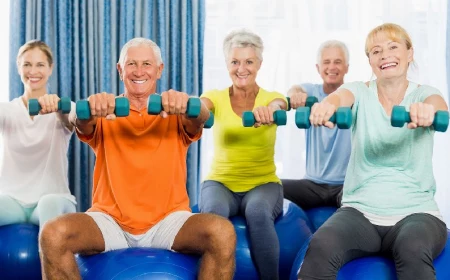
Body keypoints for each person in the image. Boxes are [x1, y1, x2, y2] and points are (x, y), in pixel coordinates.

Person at [39, 37, 236, 280]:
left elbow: (202, 118)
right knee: (52, 233)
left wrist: (190, 105)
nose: (139, 71)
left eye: (147, 64)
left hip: (168, 221)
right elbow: (77, 122)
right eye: (131, 64)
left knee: (222, 232)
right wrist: (88, 110)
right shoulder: (105, 110)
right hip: (109, 221)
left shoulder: (174, 110)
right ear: (120, 70)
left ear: (159, 69)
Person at [297, 23, 448, 280]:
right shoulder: (360, 91)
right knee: (320, 247)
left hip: (416, 213)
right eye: (376, 51)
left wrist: (429, 112)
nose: (385, 55)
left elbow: (439, 107)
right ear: (370, 61)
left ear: (409, 53)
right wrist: (327, 105)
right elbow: (340, 97)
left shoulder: (425, 94)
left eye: (393, 47)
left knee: (413, 249)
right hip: (359, 212)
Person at [199, 29, 288, 280]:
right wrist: (193, 111)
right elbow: (201, 107)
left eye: (249, 61)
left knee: (258, 212)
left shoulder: (272, 98)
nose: (242, 68)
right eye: (235, 62)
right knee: (213, 216)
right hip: (220, 182)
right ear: (227, 64)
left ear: (259, 63)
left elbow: (281, 104)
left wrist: (270, 109)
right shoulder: (214, 96)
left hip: (263, 183)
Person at [0, 40, 76, 228]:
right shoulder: (7, 111)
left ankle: (50, 258)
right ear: (19, 67)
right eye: (27, 64)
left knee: (48, 203)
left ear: (50, 68)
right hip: (12, 203)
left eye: (40, 65)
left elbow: (74, 121)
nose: (33, 71)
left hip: (55, 200)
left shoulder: (65, 107)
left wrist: (59, 109)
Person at [282, 40, 351, 210]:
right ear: (318, 68)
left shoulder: (353, 94)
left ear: (347, 67)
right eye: (326, 62)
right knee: (270, 186)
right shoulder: (311, 92)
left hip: (347, 186)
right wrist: (296, 95)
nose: (332, 67)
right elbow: (294, 90)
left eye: (338, 62)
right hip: (312, 185)